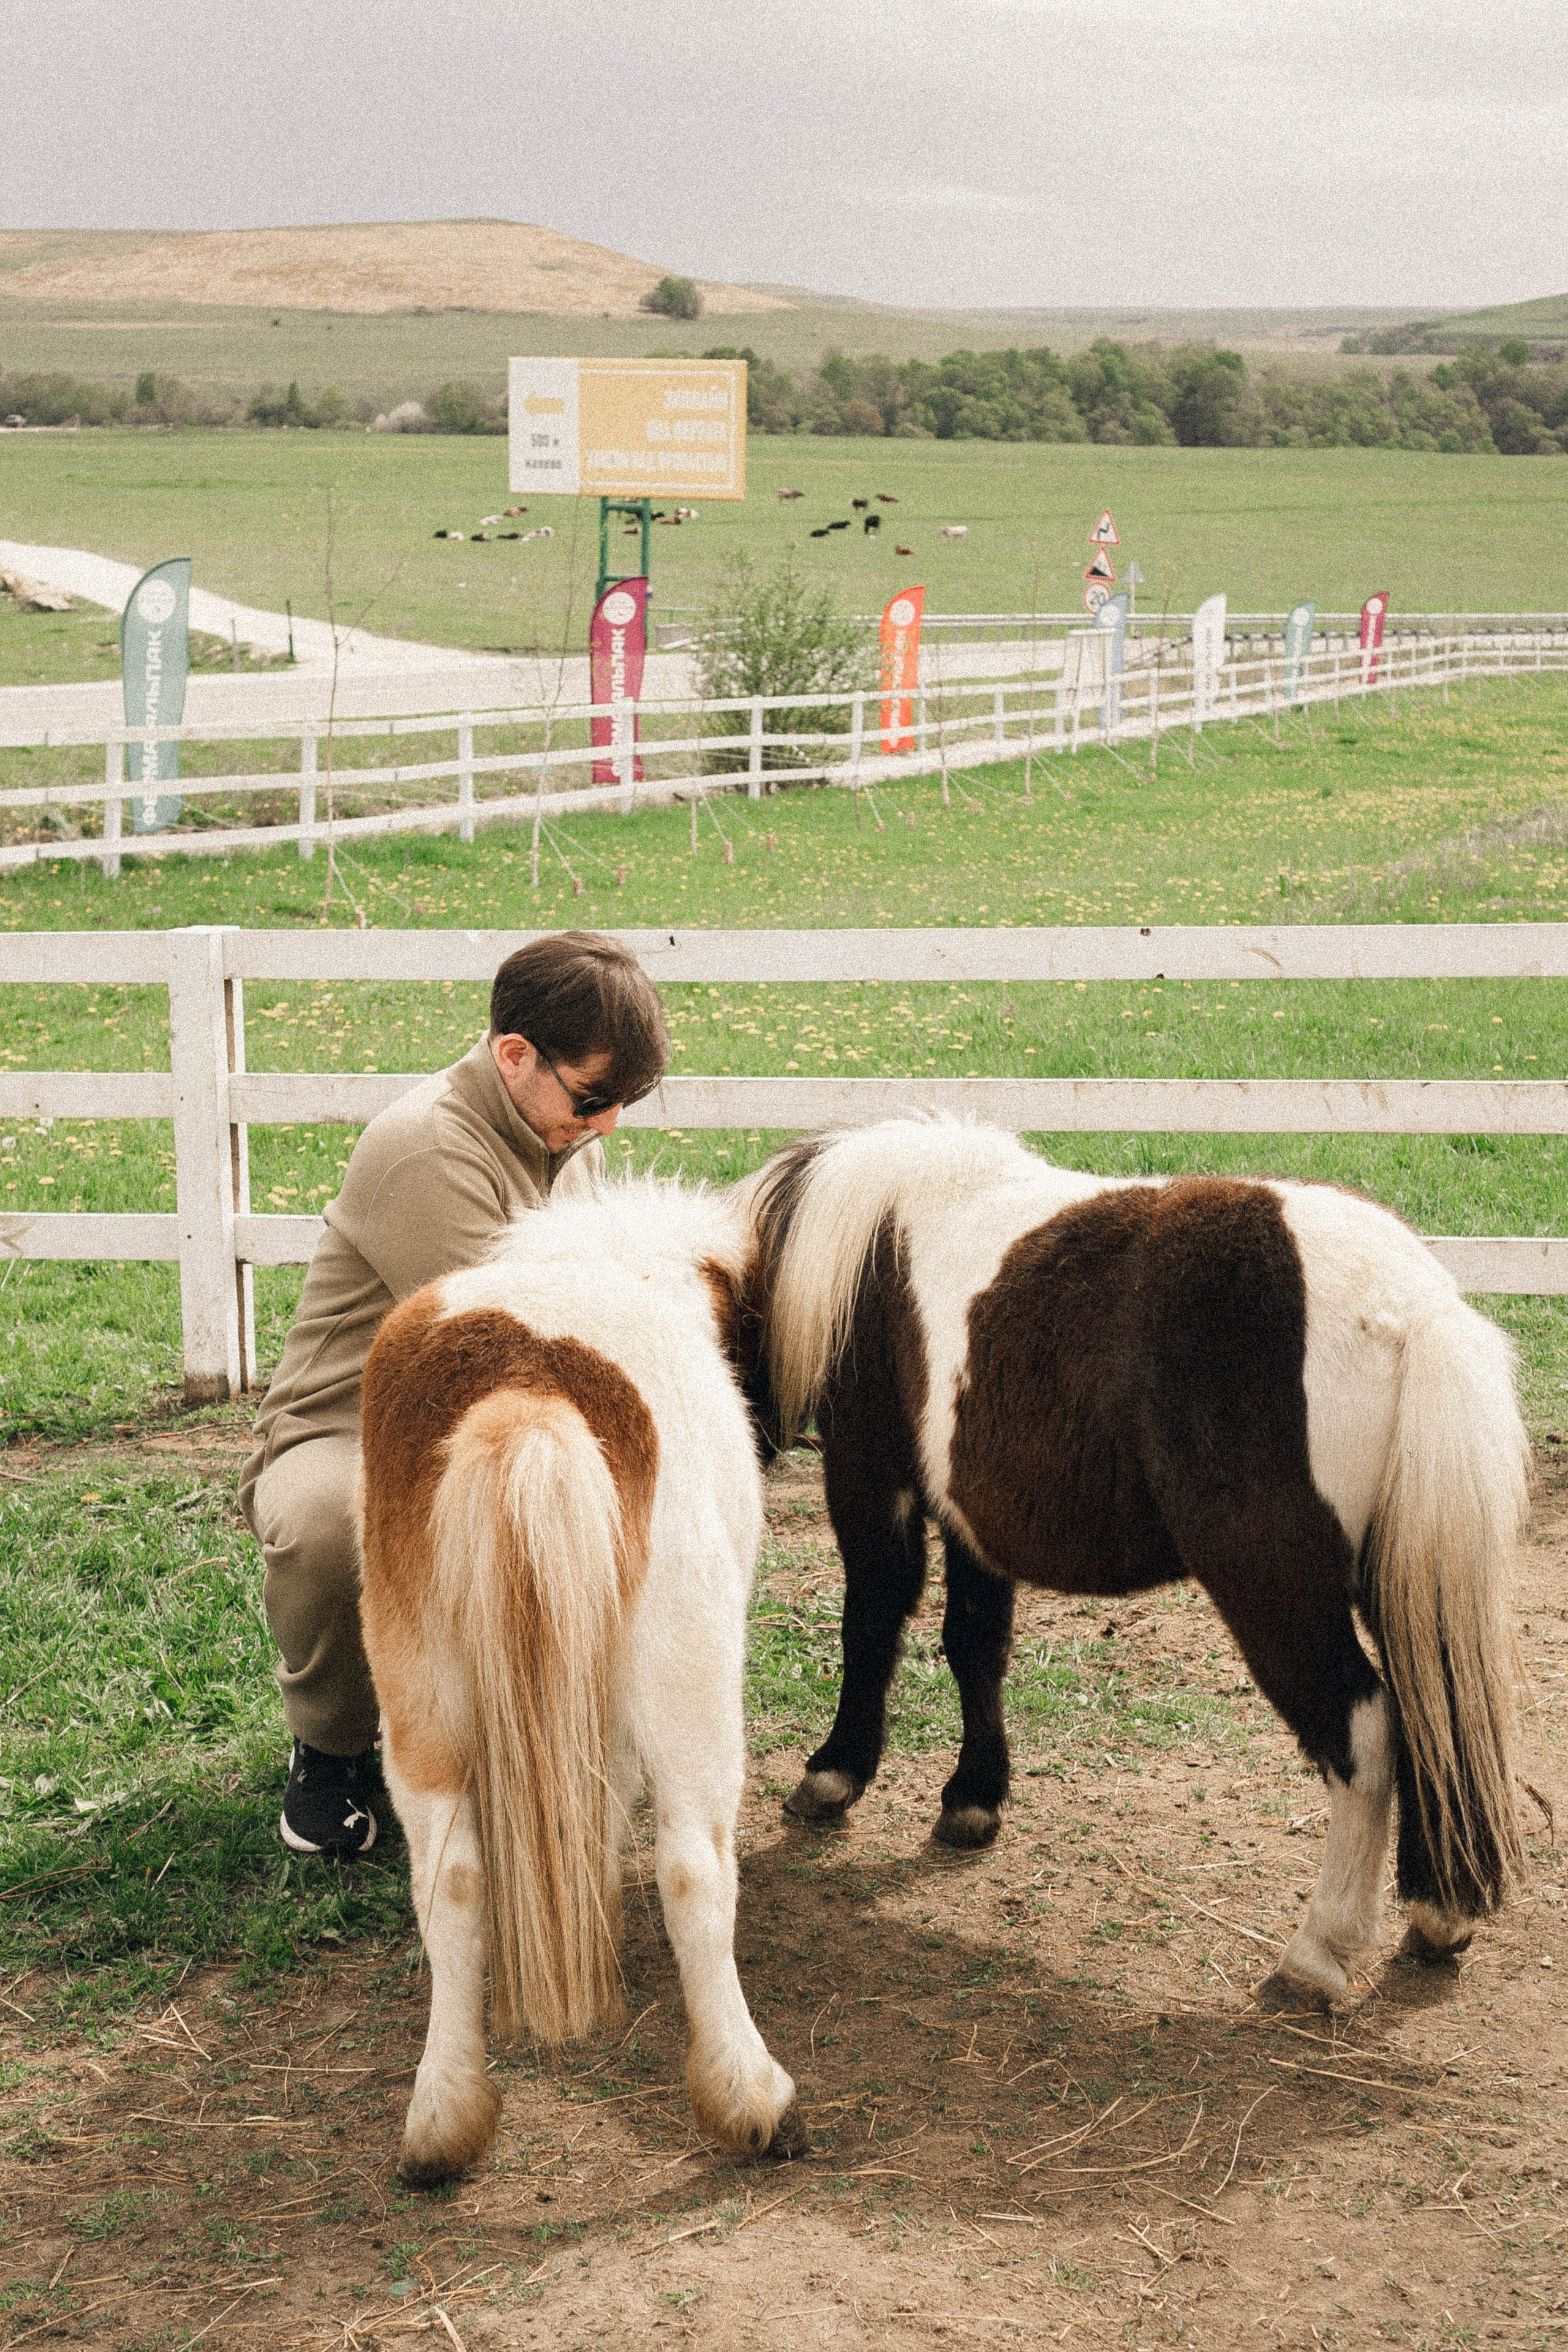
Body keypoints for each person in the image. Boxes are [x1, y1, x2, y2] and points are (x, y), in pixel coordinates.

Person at [239, 931, 669, 1856]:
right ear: (515, 1056)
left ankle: (523, 1733)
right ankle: (331, 1750)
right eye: (594, 1098)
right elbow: (519, 1338)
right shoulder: (428, 1148)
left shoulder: (559, 1136)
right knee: (328, 1525)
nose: (607, 1126)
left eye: (623, 1103)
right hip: (351, 1426)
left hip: (490, 1411)